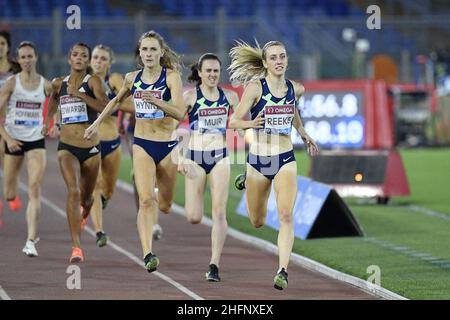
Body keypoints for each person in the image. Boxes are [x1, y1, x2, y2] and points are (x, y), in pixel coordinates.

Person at [85, 30, 185, 272]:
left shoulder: (171, 78)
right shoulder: (132, 78)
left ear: (161, 53)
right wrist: (96, 124)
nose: (149, 54)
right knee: (146, 200)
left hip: (167, 144)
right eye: (144, 49)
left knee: (165, 205)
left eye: (153, 49)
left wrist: (157, 102)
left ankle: (157, 189)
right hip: (142, 143)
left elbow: (180, 113)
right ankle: (148, 253)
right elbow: (115, 102)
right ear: (139, 54)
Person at [228, 40, 319, 290]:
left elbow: (293, 112)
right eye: (274, 58)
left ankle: (282, 270)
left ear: (287, 60)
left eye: (282, 56)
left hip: (285, 158)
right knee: (257, 221)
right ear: (265, 63)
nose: (279, 61)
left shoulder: (294, 88)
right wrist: (251, 124)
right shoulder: (255, 88)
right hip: (258, 160)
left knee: (286, 214)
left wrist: (303, 133)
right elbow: (234, 122)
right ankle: (247, 179)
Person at [43, 42, 108, 263]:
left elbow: (105, 107)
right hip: (67, 147)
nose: (79, 58)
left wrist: (80, 96)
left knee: (87, 197)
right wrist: (48, 121)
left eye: (83, 55)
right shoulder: (58, 83)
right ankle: (76, 247)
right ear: (69, 59)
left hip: (90, 149)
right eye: (75, 55)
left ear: (88, 61)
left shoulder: (94, 82)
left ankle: (86, 210)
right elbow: (53, 101)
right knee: (73, 191)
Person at [179, 53, 239, 281]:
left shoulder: (230, 97)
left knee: (219, 211)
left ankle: (214, 264)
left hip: (220, 157)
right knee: (193, 216)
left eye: (216, 71)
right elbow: (173, 127)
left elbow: (242, 122)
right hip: (194, 156)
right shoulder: (190, 97)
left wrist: (246, 130)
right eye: (209, 71)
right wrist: (179, 157)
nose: (213, 75)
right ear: (200, 73)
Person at [0, 41, 51, 257]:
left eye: (30, 56)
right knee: (10, 193)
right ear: (18, 60)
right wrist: (8, 139)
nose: (27, 61)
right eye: (23, 57)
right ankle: (12, 195)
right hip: (13, 140)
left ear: (36, 58)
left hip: (36, 142)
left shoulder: (45, 85)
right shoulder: (11, 83)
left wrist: (51, 122)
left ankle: (31, 240)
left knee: (35, 188)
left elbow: (56, 102)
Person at [88, 44, 125, 247]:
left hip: (112, 141)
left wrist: (114, 108)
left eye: (103, 58)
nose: (99, 61)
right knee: (97, 184)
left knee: (108, 190)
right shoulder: (84, 81)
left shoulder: (115, 80)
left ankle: (102, 201)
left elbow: (127, 101)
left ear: (110, 62)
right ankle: (99, 231)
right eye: (96, 57)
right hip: (91, 141)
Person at [0, 30, 22, 211]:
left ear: (7, 47)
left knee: (10, 160)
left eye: (2, 44)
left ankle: (10, 190)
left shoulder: (16, 68)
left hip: (12, 120)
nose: (0, 47)